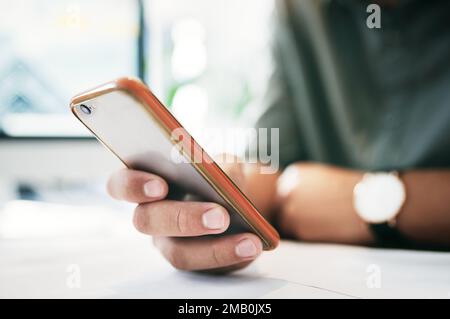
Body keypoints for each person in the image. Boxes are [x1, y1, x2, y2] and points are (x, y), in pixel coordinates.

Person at [106, 0, 450, 272]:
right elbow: (271, 173)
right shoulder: (297, 9)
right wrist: (213, 195)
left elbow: (292, 191)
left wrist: (362, 202)